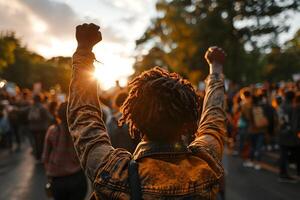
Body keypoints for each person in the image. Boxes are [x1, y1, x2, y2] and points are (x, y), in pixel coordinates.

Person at [67, 23, 226, 199]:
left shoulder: (114, 173)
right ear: (189, 123)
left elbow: (85, 119)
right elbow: (213, 118)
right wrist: (216, 69)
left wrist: (83, 51)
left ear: (132, 119)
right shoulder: (205, 163)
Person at [42, 102, 87, 200]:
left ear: (57, 114)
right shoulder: (80, 131)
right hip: (77, 178)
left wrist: (49, 173)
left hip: (57, 180)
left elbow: (45, 157)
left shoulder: (52, 131)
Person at [28, 94, 51, 160]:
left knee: (35, 142)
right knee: (41, 143)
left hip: (32, 128)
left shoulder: (32, 107)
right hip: (41, 128)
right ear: (40, 99)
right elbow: (49, 117)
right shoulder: (42, 107)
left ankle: (37, 156)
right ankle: (41, 156)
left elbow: (22, 110)